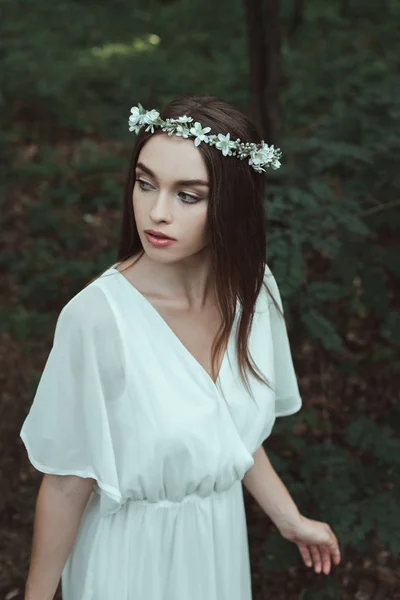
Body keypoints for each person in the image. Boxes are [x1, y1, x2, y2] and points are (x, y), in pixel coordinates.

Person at [20, 94, 341, 600]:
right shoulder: (98, 317)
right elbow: (66, 481)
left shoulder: (254, 293)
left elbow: (227, 433)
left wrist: (290, 518)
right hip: (131, 559)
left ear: (232, 202)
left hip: (218, 545)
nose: (156, 211)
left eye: (188, 195)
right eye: (145, 184)